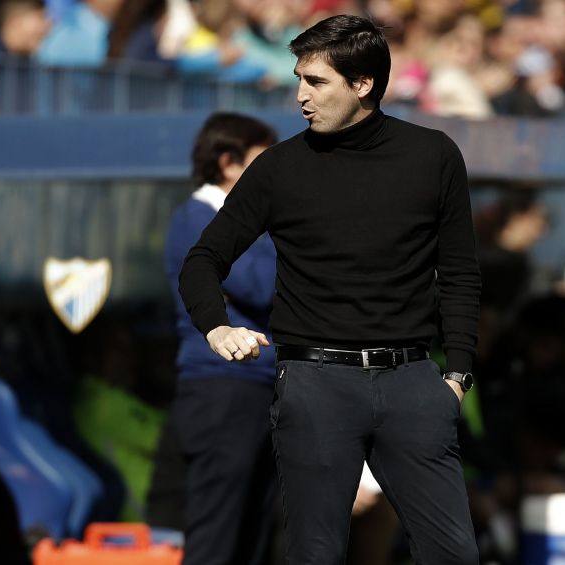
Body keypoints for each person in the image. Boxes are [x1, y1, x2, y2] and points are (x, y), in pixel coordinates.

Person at [178, 15, 481, 564]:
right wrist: (215, 325)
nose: (300, 96)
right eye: (299, 78)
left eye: (316, 82)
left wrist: (456, 376)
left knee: (454, 554)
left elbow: (460, 272)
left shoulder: (434, 156)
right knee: (315, 555)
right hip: (314, 386)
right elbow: (203, 259)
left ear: (363, 84)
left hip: (413, 384)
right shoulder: (279, 168)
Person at [163, 113, 278, 565]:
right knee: (217, 532)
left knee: (253, 529)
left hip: (255, 387)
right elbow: (262, 283)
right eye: (262, 161)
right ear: (229, 162)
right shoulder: (199, 218)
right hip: (222, 389)